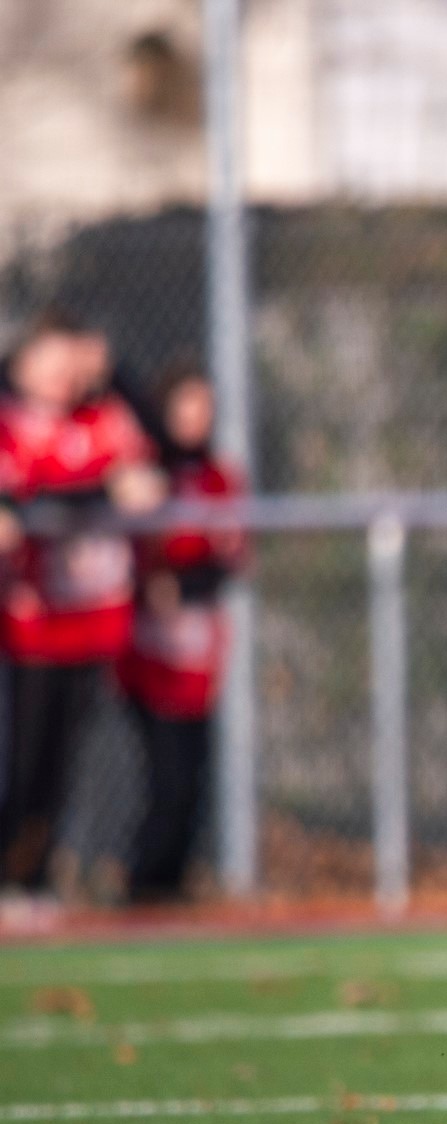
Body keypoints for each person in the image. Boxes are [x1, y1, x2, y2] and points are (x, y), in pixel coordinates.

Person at [0, 311, 165, 895]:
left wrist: (115, 371)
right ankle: (15, 872)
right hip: (32, 621)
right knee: (23, 759)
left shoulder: (102, 417)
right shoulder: (12, 419)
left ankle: (38, 875)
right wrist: (95, 491)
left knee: (66, 765)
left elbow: (154, 459)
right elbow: (21, 500)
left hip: (93, 623)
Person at [117, 364, 243, 902]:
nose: (197, 418)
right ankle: (145, 886)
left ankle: (169, 887)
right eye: (186, 406)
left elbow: (230, 555)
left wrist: (186, 586)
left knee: (192, 779)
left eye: (205, 407)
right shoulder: (146, 473)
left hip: (197, 653)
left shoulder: (217, 476)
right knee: (164, 777)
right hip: (150, 653)